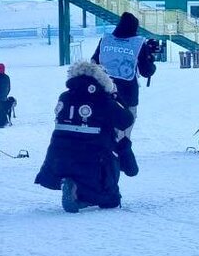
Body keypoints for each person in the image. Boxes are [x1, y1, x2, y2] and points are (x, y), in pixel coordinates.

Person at [34, 61, 135, 212]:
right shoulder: (102, 100)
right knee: (110, 200)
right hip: (93, 159)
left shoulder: (64, 97)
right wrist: (115, 96)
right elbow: (126, 120)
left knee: (82, 169)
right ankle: (81, 197)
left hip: (58, 160)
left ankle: (74, 187)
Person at [91, 11, 158, 176]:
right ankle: (121, 167)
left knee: (100, 131)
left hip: (102, 95)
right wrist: (151, 59)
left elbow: (93, 62)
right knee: (122, 137)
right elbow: (146, 71)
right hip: (127, 98)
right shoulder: (138, 43)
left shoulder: (105, 40)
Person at [0, 63, 11, 128]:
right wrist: (6, 94)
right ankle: (3, 121)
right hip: (4, 96)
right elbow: (9, 87)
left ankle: (2, 122)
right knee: (2, 109)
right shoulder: (7, 77)